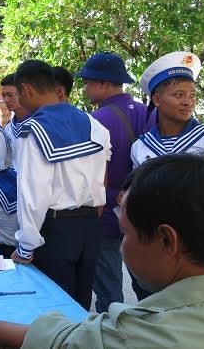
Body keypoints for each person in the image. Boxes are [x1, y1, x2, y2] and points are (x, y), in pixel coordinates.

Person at [0, 153, 204, 349]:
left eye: (126, 232)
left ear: (167, 241)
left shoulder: (141, 336)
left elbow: (51, 341)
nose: (122, 246)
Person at [10, 60, 111, 310]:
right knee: (80, 308)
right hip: (90, 227)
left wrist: (25, 247)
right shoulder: (94, 125)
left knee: (54, 312)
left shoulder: (32, 131)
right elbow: (102, 175)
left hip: (55, 231)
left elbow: (33, 194)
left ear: (26, 90)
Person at [75, 51, 152, 313]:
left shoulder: (97, 120)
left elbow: (89, 174)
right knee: (147, 286)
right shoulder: (148, 113)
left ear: (104, 84)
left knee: (109, 291)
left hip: (106, 213)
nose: (86, 88)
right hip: (141, 213)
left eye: (88, 82)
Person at [131, 51, 204, 167]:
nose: (188, 102)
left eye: (192, 95)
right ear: (157, 100)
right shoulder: (141, 147)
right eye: (179, 95)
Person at [0, 73, 30, 168]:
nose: (5, 100)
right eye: (4, 95)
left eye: (9, 95)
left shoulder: (37, 124)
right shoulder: (9, 128)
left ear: (23, 93)